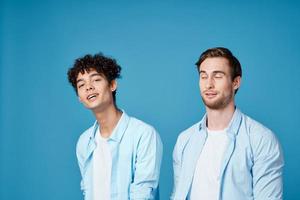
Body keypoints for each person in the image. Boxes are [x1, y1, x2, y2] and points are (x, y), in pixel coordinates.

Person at [171, 47, 284, 200]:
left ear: (236, 82)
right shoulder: (184, 140)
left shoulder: (261, 139)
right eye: (203, 76)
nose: (208, 84)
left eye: (217, 76)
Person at [67, 53, 163, 200]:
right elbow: (88, 191)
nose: (89, 87)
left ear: (112, 85)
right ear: (79, 97)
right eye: (81, 85)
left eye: (96, 79)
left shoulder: (143, 134)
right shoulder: (84, 142)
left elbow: (143, 193)